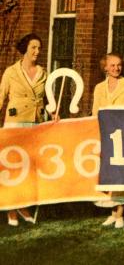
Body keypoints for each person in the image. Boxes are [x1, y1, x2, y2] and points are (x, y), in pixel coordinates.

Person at [0, 33, 48, 226]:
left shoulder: (43, 72)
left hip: (35, 124)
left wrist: (52, 113)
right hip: (15, 123)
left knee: (30, 168)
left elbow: (47, 99)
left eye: (39, 48)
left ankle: (23, 206)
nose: (37, 52)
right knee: (14, 167)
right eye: (33, 48)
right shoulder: (11, 72)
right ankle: (11, 210)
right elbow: (1, 95)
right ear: (25, 49)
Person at [92, 52, 124, 229]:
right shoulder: (99, 88)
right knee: (108, 173)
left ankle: (120, 214)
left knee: (120, 173)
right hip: (105, 133)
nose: (116, 68)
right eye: (112, 65)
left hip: (122, 133)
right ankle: (112, 212)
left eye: (119, 65)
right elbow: (96, 111)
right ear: (105, 67)